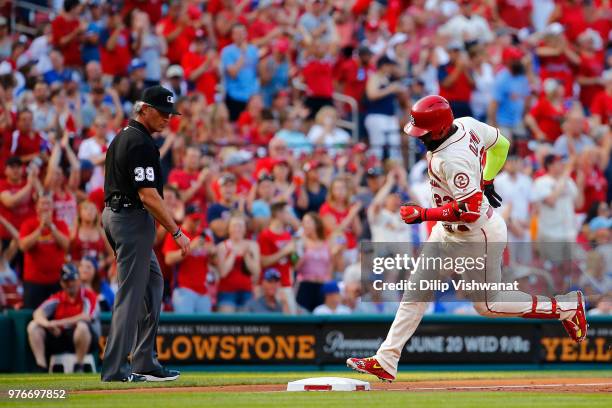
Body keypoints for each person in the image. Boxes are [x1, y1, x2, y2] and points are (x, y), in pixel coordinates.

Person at [347, 95, 588, 382]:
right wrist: (487, 179)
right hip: (448, 231)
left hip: (477, 234)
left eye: (423, 132)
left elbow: (471, 211)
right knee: (416, 290)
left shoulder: (451, 159)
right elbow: (502, 145)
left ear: (438, 129)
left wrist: (425, 213)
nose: (418, 138)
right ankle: (386, 359)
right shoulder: (466, 124)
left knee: (487, 305)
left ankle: (567, 308)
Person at [101, 85, 189, 382]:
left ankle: (144, 361)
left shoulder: (125, 137)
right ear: (144, 109)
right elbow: (148, 196)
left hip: (117, 215)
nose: (167, 118)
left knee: (153, 286)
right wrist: (176, 232)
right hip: (130, 218)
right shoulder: (139, 142)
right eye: (162, 112)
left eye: (170, 113)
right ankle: (115, 370)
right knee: (130, 296)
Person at [26, 264, 98, 373]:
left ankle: (79, 366)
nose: (70, 284)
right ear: (61, 283)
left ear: (79, 280)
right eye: (66, 281)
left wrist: (57, 322)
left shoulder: (88, 295)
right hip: (60, 336)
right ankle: (41, 367)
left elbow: (87, 317)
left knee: (82, 326)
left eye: (72, 279)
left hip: (83, 339)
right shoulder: (58, 297)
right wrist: (48, 325)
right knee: (33, 326)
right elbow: (37, 313)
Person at [19, 195, 70, 309]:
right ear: (37, 207)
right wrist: (40, 229)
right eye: (42, 203)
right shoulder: (28, 224)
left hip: (57, 281)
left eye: (48, 203)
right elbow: (23, 246)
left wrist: (51, 227)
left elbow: (66, 245)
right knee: (32, 314)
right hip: (33, 281)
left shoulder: (60, 224)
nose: (45, 206)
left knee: (57, 314)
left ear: (53, 207)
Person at [163, 205, 215, 313]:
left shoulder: (204, 235)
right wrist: (190, 247)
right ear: (186, 218)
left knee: (205, 328)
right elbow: (168, 259)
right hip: (183, 289)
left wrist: (213, 253)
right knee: (185, 327)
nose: (197, 223)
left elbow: (214, 262)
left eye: (199, 219)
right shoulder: (177, 234)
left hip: (203, 291)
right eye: (194, 220)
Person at [215, 214, 260, 312]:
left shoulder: (253, 245)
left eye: (240, 226)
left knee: (247, 324)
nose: (237, 229)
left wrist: (247, 255)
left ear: (245, 229)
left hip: (247, 291)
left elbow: (256, 272)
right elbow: (223, 272)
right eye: (235, 226)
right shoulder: (222, 246)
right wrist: (233, 253)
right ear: (229, 229)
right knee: (228, 324)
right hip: (226, 292)